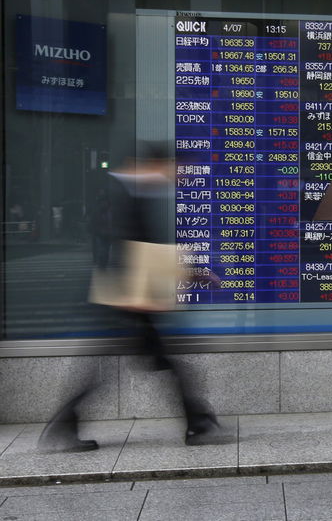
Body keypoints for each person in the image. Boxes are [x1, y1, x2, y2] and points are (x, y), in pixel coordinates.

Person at [38, 146, 223, 453]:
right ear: (160, 164)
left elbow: (145, 248)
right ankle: (198, 423)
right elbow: (130, 249)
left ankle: (198, 422)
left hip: (127, 299)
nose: (182, 175)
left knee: (143, 364)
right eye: (179, 168)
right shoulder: (126, 194)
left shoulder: (135, 192)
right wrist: (187, 274)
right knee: (157, 364)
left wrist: (191, 273)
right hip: (126, 300)